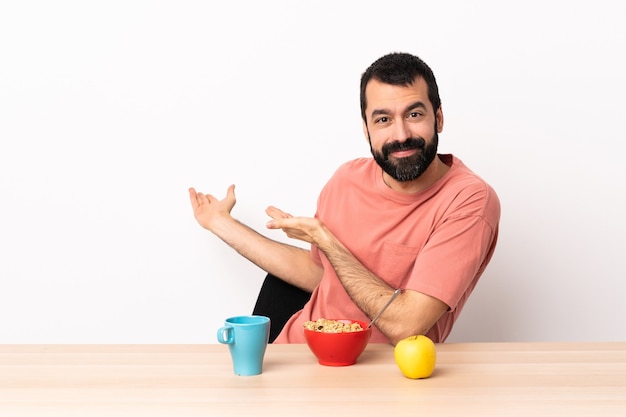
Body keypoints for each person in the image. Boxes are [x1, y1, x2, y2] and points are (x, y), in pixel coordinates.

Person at [189, 52, 500, 345]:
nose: (401, 134)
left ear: (439, 118)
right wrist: (220, 223)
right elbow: (320, 275)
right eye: (383, 120)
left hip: (382, 382)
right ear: (365, 129)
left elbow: (406, 326)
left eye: (414, 114)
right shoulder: (346, 178)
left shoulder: (469, 200)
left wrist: (326, 240)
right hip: (293, 357)